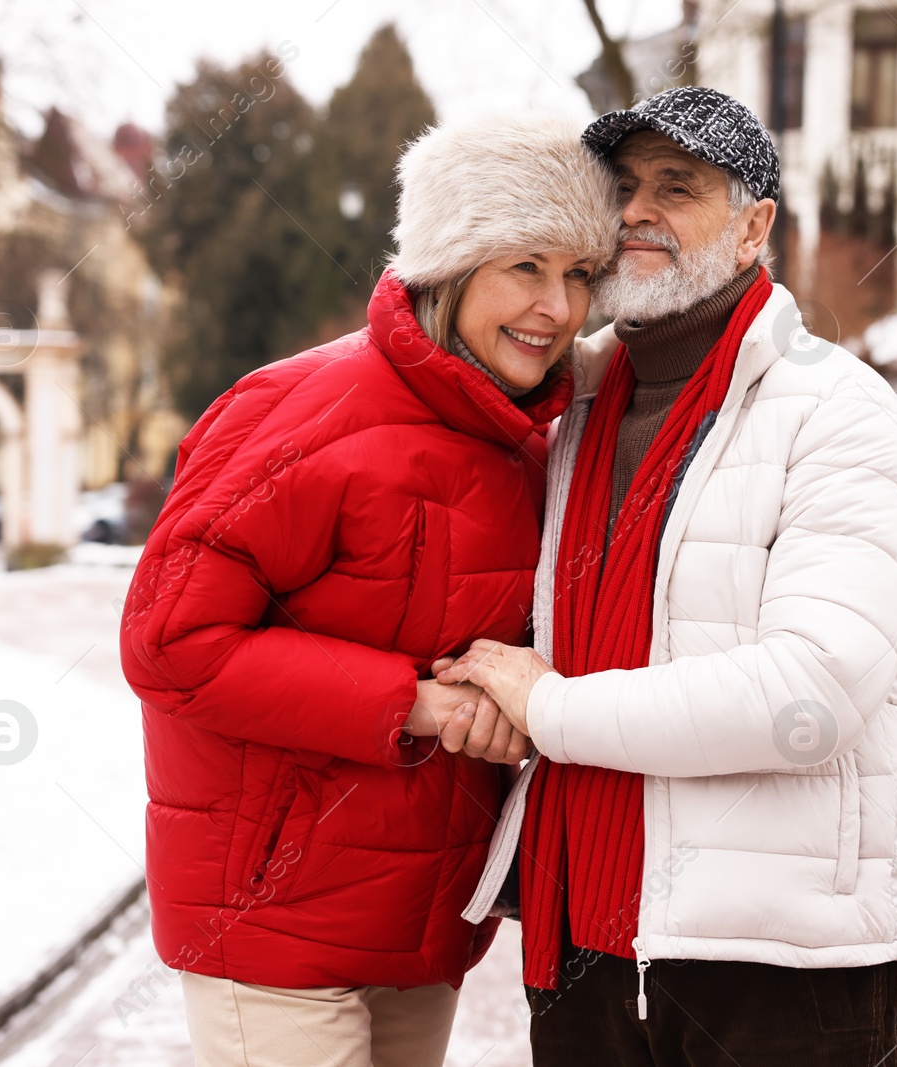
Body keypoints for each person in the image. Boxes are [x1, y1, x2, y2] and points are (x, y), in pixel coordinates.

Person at [438, 86, 897, 1065]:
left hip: (774, 973)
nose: (634, 212)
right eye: (618, 187)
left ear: (754, 227)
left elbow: (812, 692)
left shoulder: (833, 411)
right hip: (580, 945)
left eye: (678, 187)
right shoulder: (562, 403)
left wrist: (552, 707)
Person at [118, 111, 619, 1067]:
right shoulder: (299, 412)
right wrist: (419, 704)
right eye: (525, 265)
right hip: (271, 918)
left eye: (580, 274)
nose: (556, 307)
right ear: (448, 263)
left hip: (419, 924)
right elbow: (169, 642)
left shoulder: (536, 444)